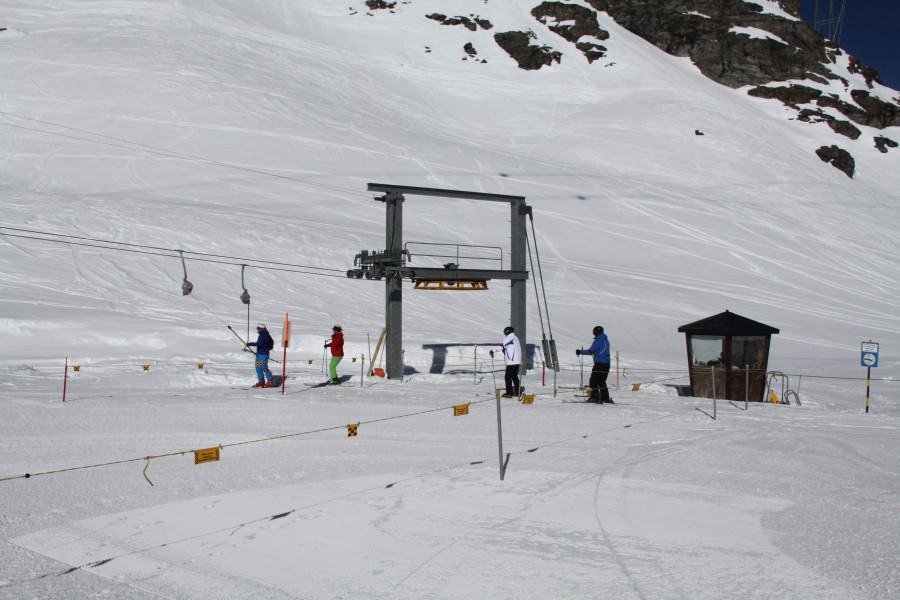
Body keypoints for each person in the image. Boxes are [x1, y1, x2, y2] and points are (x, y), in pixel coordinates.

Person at [577, 325, 612, 403]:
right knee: (601, 381)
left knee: (593, 380)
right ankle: (605, 398)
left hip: (600, 363)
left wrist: (580, 352)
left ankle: (594, 397)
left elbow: (591, 351)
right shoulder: (606, 340)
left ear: (596, 332)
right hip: (607, 364)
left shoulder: (599, 340)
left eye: (594, 332)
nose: (594, 333)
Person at [490, 326, 522, 398]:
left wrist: (493, 351)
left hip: (511, 361)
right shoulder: (516, 338)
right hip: (517, 361)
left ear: (506, 332)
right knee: (514, 376)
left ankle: (509, 393)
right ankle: (517, 392)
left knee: (507, 377)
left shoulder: (509, 338)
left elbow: (502, 346)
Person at [247, 323, 275, 388]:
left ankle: (271, 381)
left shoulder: (265, 335)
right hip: (259, 355)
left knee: (264, 368)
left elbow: (259, 343)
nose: (258, 330)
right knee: (258, 368)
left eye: (259, 328)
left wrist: (250, 344)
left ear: (263, 329)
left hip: (264, 355)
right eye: (257, 328)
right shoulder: (261, 335)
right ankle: (261, 382)